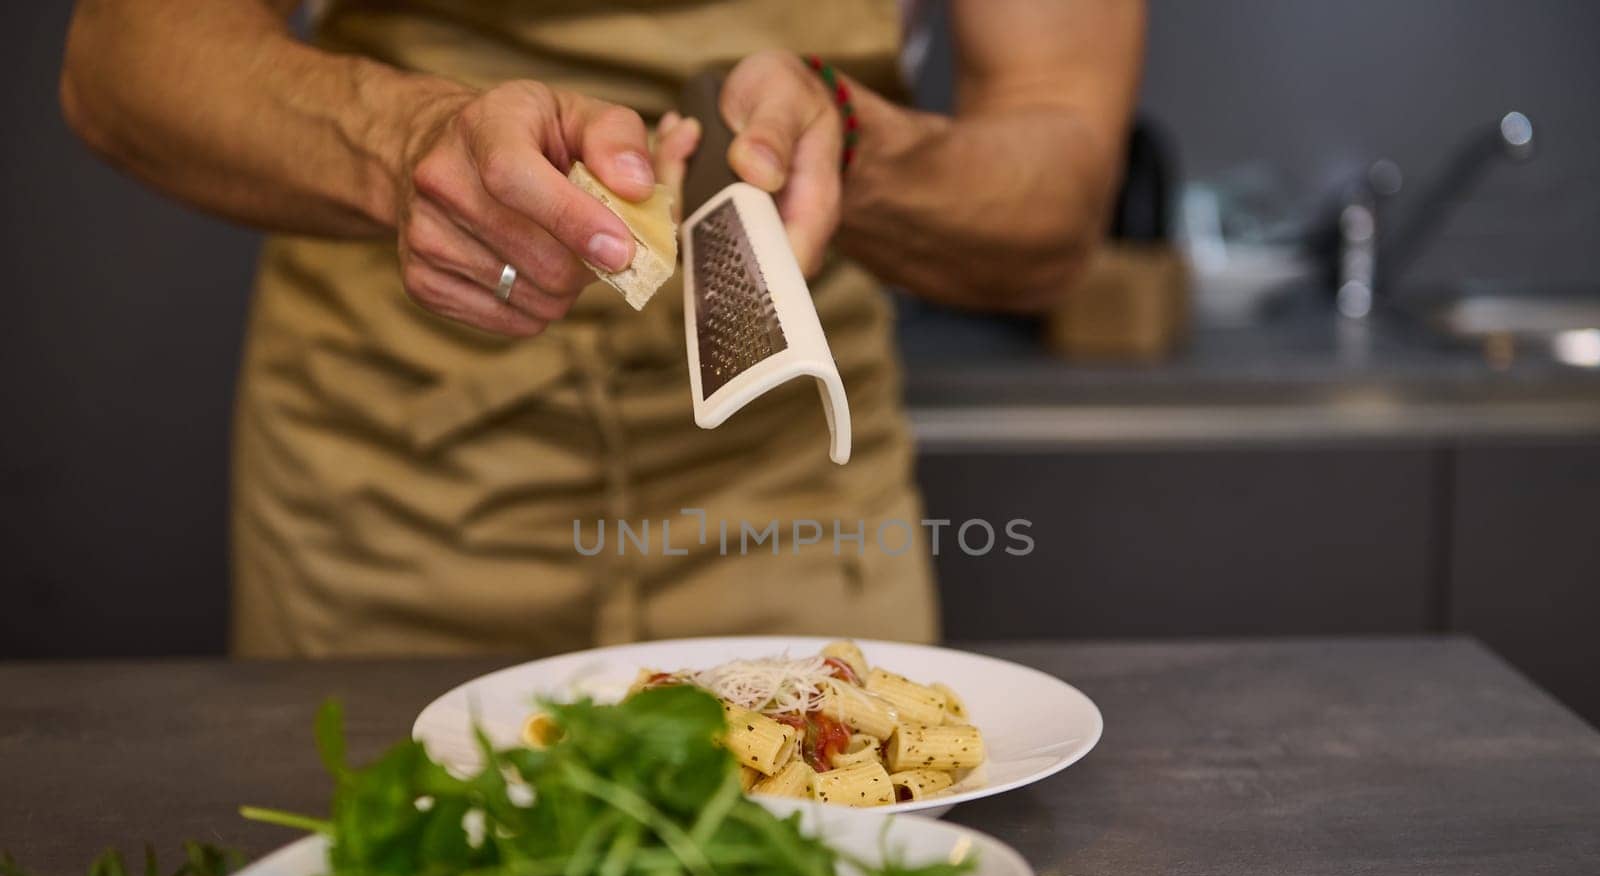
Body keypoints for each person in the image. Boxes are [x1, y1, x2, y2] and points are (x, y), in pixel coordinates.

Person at [60, 0, 1144, 657]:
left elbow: (1052, 196)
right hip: (391, 495)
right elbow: (121, 59)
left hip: (790, 501)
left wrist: (859, 149)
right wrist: (410, 144)